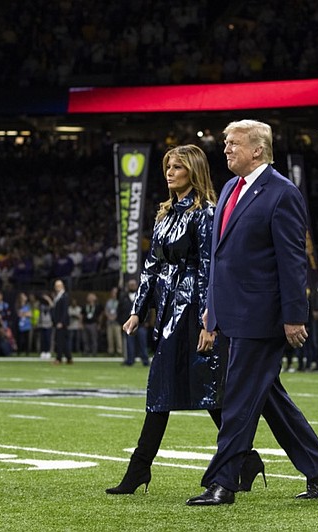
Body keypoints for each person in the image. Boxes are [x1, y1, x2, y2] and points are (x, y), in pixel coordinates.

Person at [187, 120, 318, 506]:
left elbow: (292, 260)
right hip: (233, 312)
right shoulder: (229, 188)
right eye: (224, 143)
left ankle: (222, 482)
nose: (225, 149)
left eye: (233, 143)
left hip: (262, 316)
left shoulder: (282, 193)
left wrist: (295, 315)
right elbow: (222, 258)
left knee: (237, 399)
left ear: (258, 149)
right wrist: (212, 309)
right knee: (267, 396)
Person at [107, 144, 265, 496]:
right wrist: (137, 310)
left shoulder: (206, 213)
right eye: (167, 167)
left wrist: (211, 320)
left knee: (198, 389)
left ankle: (140, 469)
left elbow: (212, 268)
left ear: (192, 172)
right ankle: (245, 459)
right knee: (183, 389)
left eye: (177, 167)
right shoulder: (164, 215)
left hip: (193, 308)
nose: (169, 172)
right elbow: (151, 265)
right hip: (168, 309)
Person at [51, 279, 71, 364]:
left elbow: (64, 311)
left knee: (59, 340)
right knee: (63, 341)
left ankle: (59, 358)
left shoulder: (64, 296)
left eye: (58, 286)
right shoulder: (58, 296)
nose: (57, 288)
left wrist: (61, 322)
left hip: (61, 322)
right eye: (56, 286)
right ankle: (69, 358)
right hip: (58, 322)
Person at [104, 287, 123, 357]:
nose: (114, 294)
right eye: (113, 292)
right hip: (109, 322)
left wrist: (115, 317)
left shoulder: (119, 301)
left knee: (118, 337)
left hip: (117, 322)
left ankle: (119, 351)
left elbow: (120, 311)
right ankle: (110, 351)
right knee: (110, 338)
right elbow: (106, 311)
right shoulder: (108, 302)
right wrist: (109, 316)